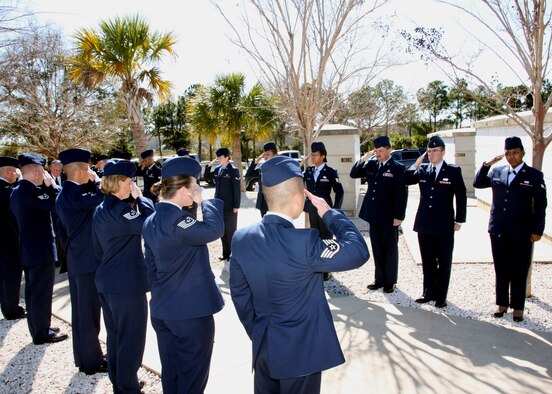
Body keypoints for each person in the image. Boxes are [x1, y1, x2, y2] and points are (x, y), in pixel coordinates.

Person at [230, 156, 369, 394]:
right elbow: (357, 251)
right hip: (302, 355)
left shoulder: (242, 238)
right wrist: (330, 213)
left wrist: (258, 331)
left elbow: (240, 296)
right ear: (298, 199)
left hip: (264, 347)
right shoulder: (304, 243)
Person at [143, 157, 225, 394]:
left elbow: (151, 265)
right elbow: (214, 230)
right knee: (192, 377)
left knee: (173, 372)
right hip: (190, 313)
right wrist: (205, 199)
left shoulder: (151, 219)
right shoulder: (178, 219)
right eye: (196, 185)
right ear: (184, 190)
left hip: (163, 308)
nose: (199, 189)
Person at [92, 159, 154, 393]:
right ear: (119, 182)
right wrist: (141, 198)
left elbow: (97, 248)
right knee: (131, 338)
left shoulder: (102, 208)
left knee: (116, 336)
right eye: (130, 181)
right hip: (126, 285)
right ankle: (128, 387)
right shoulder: (121, 210)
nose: (133, 185)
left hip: (108, 281)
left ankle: (119, 381)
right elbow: (151, 223)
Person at [473, 136, 547, 322]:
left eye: (515, 152)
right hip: (498, 230)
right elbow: (478, 182)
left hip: (522, 232)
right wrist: (487, 163)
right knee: (501, 269)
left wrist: (538, 230)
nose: (512, 156)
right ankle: (502, 304)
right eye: (508, 153)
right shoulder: (497, 171)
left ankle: (518, 307)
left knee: (519, 270)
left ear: (522, 152)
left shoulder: (534, 175)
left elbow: (540, 205)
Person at [55, 148, 107, 375]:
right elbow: (102, 196)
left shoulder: (68, 192)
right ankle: (92, 363)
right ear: (80, 171)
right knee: (88, 315)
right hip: (86, 262)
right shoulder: (73, 195)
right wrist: (98, 182)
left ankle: (85, 357)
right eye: (88, 169)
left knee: (83, 314)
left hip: (79, 258)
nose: (91, 172)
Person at [9, 153, 68, 344]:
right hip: (40, 250)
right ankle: (42, 333)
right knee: (41, 293)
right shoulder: (31, 191)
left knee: (34, 292)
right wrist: (53, 186)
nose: (44, 175)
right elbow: (57, 204)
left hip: (29, 248)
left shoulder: (18, 190)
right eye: (42, 171)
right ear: (36, 172)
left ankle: (39, 327)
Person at [404, 136, 467, 308]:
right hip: (424, 223)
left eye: (435, 151)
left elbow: (461, 196)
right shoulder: (423, 170)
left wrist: (459, 220)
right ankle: (428, 293)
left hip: (444, 224)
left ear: (443, 152)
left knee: (444, 262)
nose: (432, 154)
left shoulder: (453, 171)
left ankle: (441, 297)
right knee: (428, 261)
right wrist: (416, 163)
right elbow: (406, 179)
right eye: (429, 151)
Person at [349, 136, 408, 293]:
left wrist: (399, 216)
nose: (378, 153)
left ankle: (390, 281)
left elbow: (401, 194)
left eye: (381, 151)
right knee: (377, 248)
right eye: (376, 151)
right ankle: (379, 279)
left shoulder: (398, 168)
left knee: (390, 249)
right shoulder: (372, 164)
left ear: (389, 150)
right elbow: (354, 174)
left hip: (389, 216)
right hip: (373, 213)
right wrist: (363, 159)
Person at [303, 141, 344, 280]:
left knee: (327, 238)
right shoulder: (308, 171)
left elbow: (340, 192)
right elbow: (297, 178)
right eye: (312, 155)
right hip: (312, 210)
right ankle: (317, 267)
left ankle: (327, 269)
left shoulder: (331, 172)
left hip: (325, 211)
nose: (313, 157)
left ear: (323, 156)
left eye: (315, 155)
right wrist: (301, 164)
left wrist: (335, 210)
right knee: (315, 237)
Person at [0, 156, 25, 320]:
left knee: (3, 275)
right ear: (9, 171)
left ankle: (6, 304)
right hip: (8, 240)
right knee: (11, 275)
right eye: (16, 171)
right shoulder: (8, 190)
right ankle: (11, 309)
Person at [205, 147, 240, 262]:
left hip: (230, 207)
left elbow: (236, 189)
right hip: (219, 207)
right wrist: (209, 165)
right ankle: (225, 254)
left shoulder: (233, 170)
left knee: (230, 232)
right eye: (217, 157)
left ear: (227, 157)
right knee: (223, 232)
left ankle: (232, 256)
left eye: (220, 157)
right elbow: (207, 177)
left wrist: (236, 205)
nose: (218, 159)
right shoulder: (218, 170)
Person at [244, 142, 278, 217]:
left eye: (268, 154)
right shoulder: (262, 169)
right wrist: (257, 161)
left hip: (276, 205)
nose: (265, 157)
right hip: (263, 205)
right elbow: (248, 175)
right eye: (264, 154)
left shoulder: (280, 168)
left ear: (275, 155)